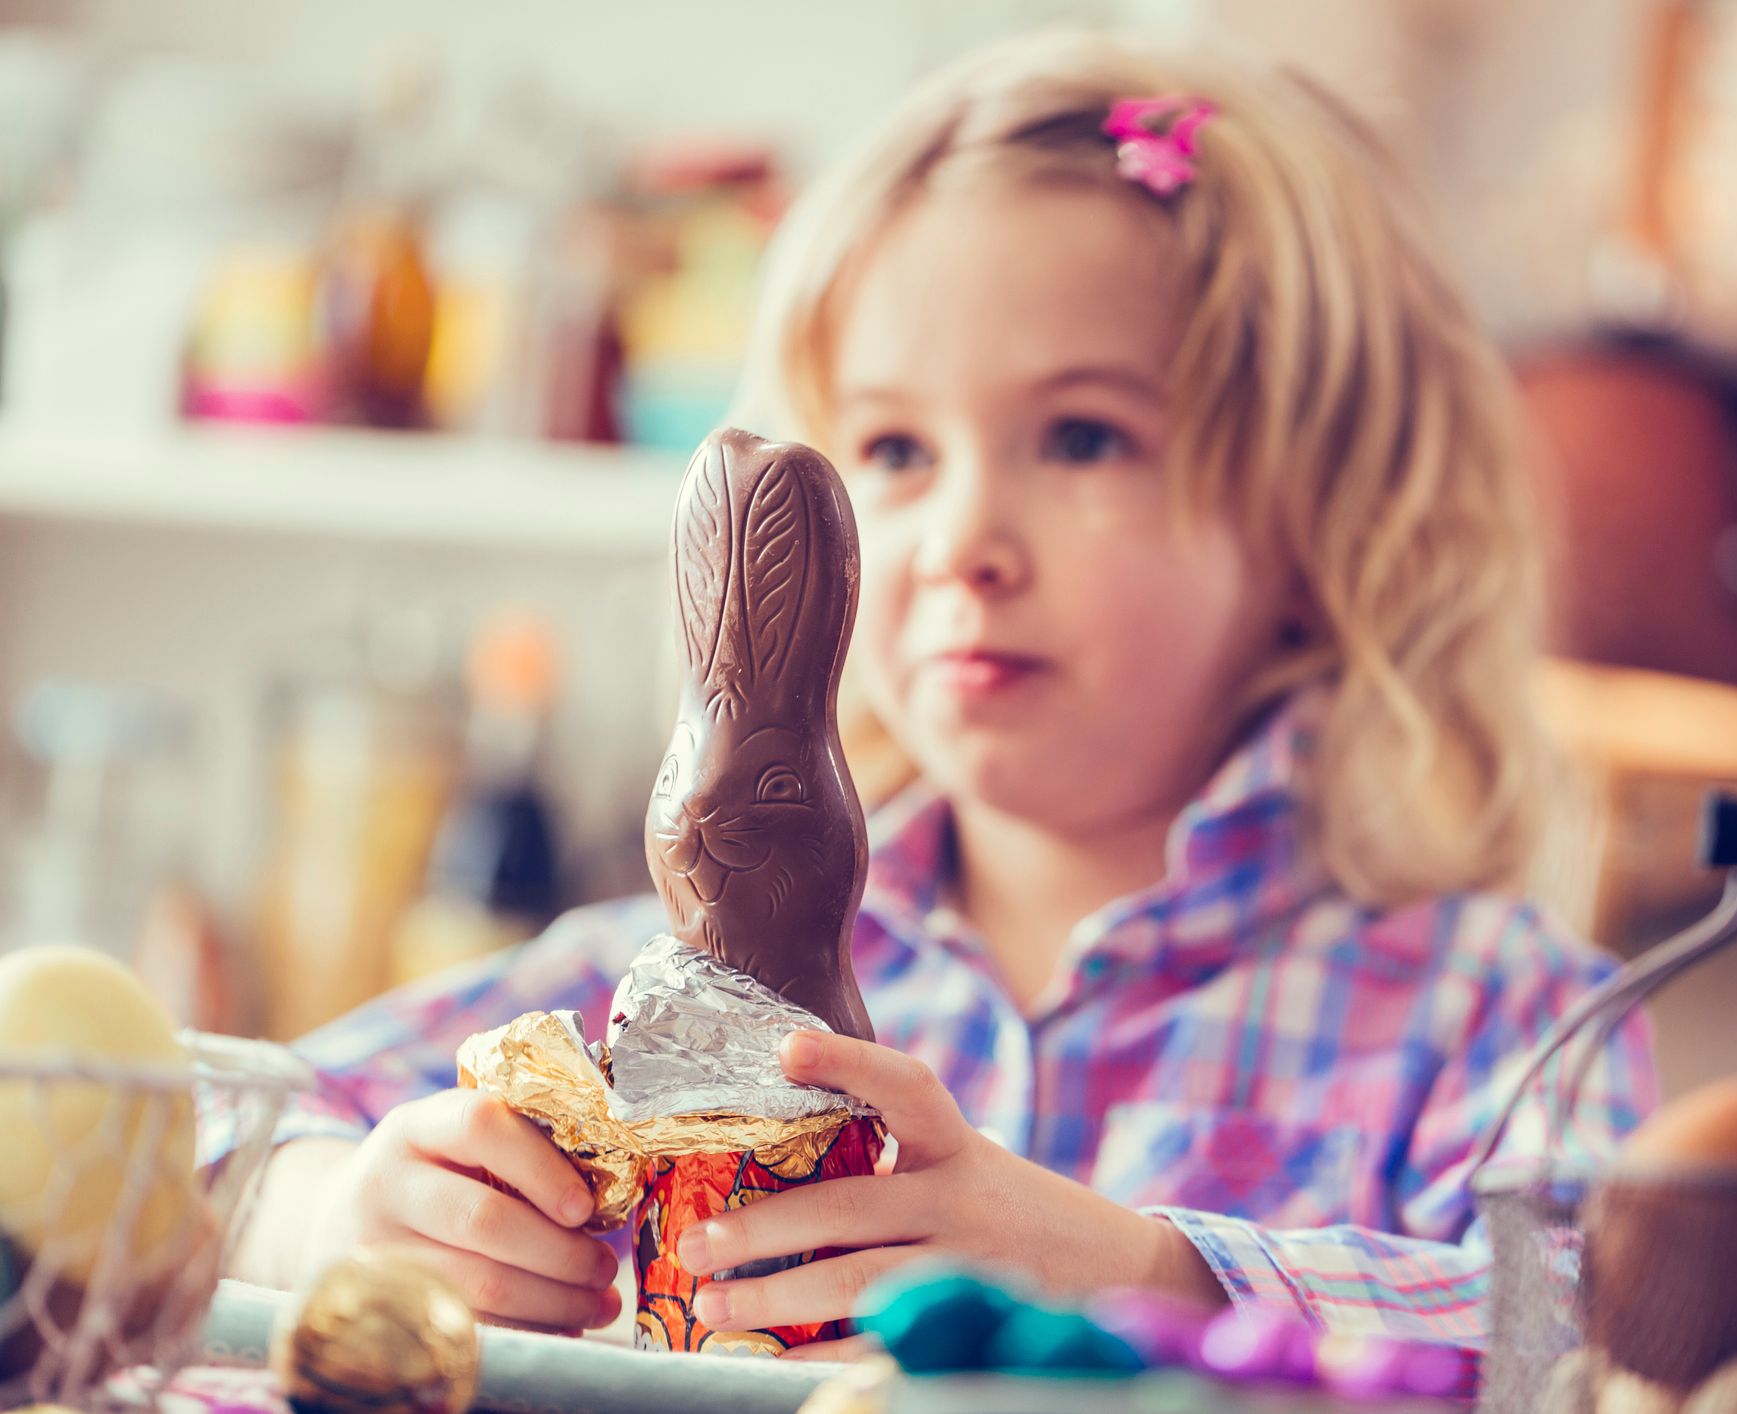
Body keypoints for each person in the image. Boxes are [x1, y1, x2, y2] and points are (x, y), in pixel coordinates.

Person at [219, 30, 1655, 1359]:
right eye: (898, 452)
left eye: (1081, 437)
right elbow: (180, 1114)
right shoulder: (677, 981)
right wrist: (333, 1213)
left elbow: (1588, 1337)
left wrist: (1140, 1272)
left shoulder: (1495, 1004)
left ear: (1320, 520)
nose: (961, 539)